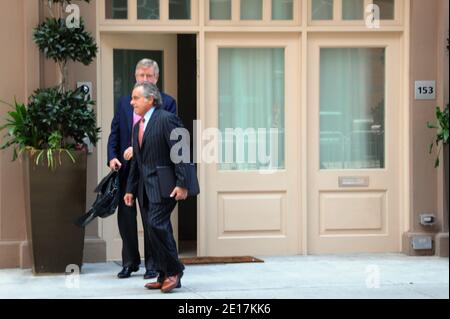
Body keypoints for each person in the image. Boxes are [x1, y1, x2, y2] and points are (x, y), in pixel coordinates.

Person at [107, 59, 177, 279]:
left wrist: (136, 150)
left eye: (149, 76)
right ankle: (129, 262)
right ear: (135, 77)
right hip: (127, 171)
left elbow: (173, 141)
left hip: (152, 173)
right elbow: (114, 133)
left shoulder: (167, 103)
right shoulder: (124, 103)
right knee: (126, 220)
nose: (144, 79)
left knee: (151, 220)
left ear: (156, 78)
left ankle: (154, 265)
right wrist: (112, 157)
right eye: (141, 76)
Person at [124, 82, 188, 293]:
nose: (131, 102)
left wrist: (182, 183)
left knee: (157, 224)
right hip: (145, 188)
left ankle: (174, 271)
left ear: (150, 99)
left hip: (165, 186)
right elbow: (136, 162)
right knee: (153, 230)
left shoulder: (166, 119)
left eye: (136, 98)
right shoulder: (137, 126)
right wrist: (130, 189)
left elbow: (181, 152)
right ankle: (163, 274)